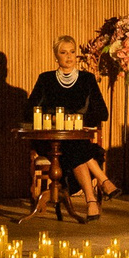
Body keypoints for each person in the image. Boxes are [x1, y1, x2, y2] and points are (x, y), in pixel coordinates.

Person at [28, 35, 114, 220]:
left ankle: (91, 200)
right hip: (49, 140)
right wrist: (51, 118)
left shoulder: (87, 79)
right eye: (63, 52)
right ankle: (102, 182)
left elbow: (102, 114)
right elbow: (29, 111)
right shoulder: (46, 79)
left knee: (75, 146)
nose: (68, 57)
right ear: (56, 57)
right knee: (79, 148)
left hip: (75, 137)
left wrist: (75, 120)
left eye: (72, 52)